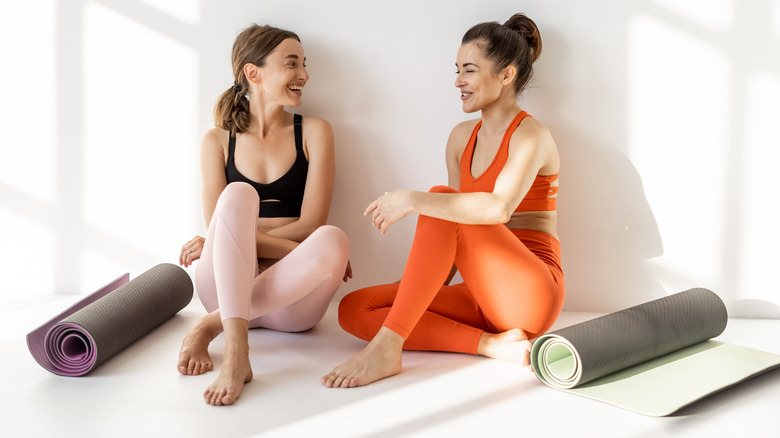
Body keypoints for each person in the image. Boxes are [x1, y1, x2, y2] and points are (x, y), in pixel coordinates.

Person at [321, 13, 563, 388]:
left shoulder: (531, 135)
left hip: (530, 294)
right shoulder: (460, 138)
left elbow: (498, 209)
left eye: (468, 70)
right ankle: (491, 345)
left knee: (438, 199)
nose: (458, 82)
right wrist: (413, 291)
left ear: (506, 75)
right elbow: (450, 234)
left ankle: (388, 347)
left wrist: (412, 200)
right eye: (457, 70)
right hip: (480, 294)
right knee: (355, 308)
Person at [177, 24, 351, 405]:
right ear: (253, 73)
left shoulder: (315, 131)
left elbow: (311, 225)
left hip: (291, 301)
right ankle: (237, 353)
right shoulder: (217, 140)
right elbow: (219, 225)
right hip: (225, 287)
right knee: (238, 195)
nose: (304, 74)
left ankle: (210, 325)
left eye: (304, 64)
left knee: (334, 239)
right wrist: (297, 252)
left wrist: (231, 241)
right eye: (292, 64)